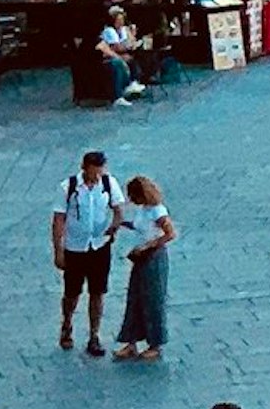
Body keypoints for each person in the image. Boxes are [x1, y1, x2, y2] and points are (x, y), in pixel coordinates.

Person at [52, 151, 119, 357]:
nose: (96, 176)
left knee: (98, 292)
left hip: (99, 246)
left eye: (100, 171)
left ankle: (94, 335)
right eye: (93, 172)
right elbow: (58, 220)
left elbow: (118, 207)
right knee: (72, 293)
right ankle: (67, 324)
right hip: (75, 247)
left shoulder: (108, 183)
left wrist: (114, 226)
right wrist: (59, 249)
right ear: (84, 168)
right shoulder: (68, 187)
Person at [111, 173, 177, 359]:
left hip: (153, 257)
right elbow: (141, 226)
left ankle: (155, 344)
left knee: (153, 299)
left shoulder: (158, 211)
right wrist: (122, 223)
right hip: (141, 257)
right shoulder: (144, 209)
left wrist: (148, 245)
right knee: (135, 297)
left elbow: (170, 233)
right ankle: (131, 341)